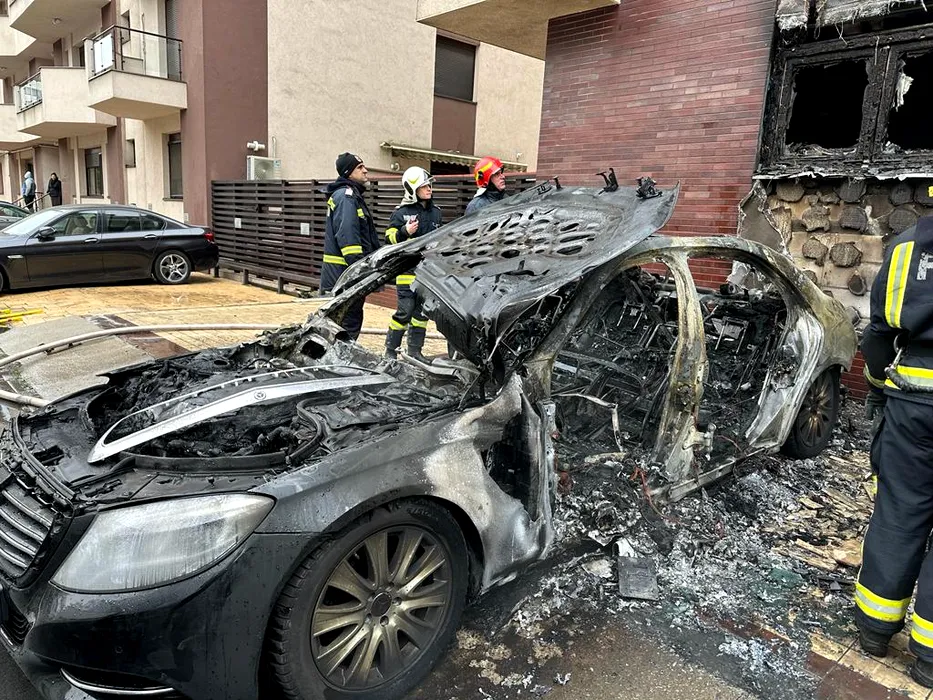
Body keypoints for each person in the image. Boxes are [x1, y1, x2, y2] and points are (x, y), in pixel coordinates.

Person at [856, 214, 933, 688]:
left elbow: (879, 334)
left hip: (911, 405)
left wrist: (878, 386)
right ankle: (928, 659)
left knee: (899, 510)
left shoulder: (908, 246)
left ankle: (874, 629)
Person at [383, 166, 442, 362]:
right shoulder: (401, 213)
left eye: (429, 185)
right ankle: (390, 351)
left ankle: (415, 351)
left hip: (427, 274)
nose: (429, 189)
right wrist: (403, 232)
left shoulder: (436, 213)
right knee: (405, 312)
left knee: (421, 314)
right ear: (412, 189)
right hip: (407, 272)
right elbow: (389, 239)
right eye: (424, 186)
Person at [319, 152, 380, 340]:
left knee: (342, 323)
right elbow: (348, 239)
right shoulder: (347, 197)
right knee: (347, 324)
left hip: (341, 275)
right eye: (360, 167)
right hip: (344, 276)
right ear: (348, 172)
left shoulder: (349, 196)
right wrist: (359, 270)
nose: (365, 170)